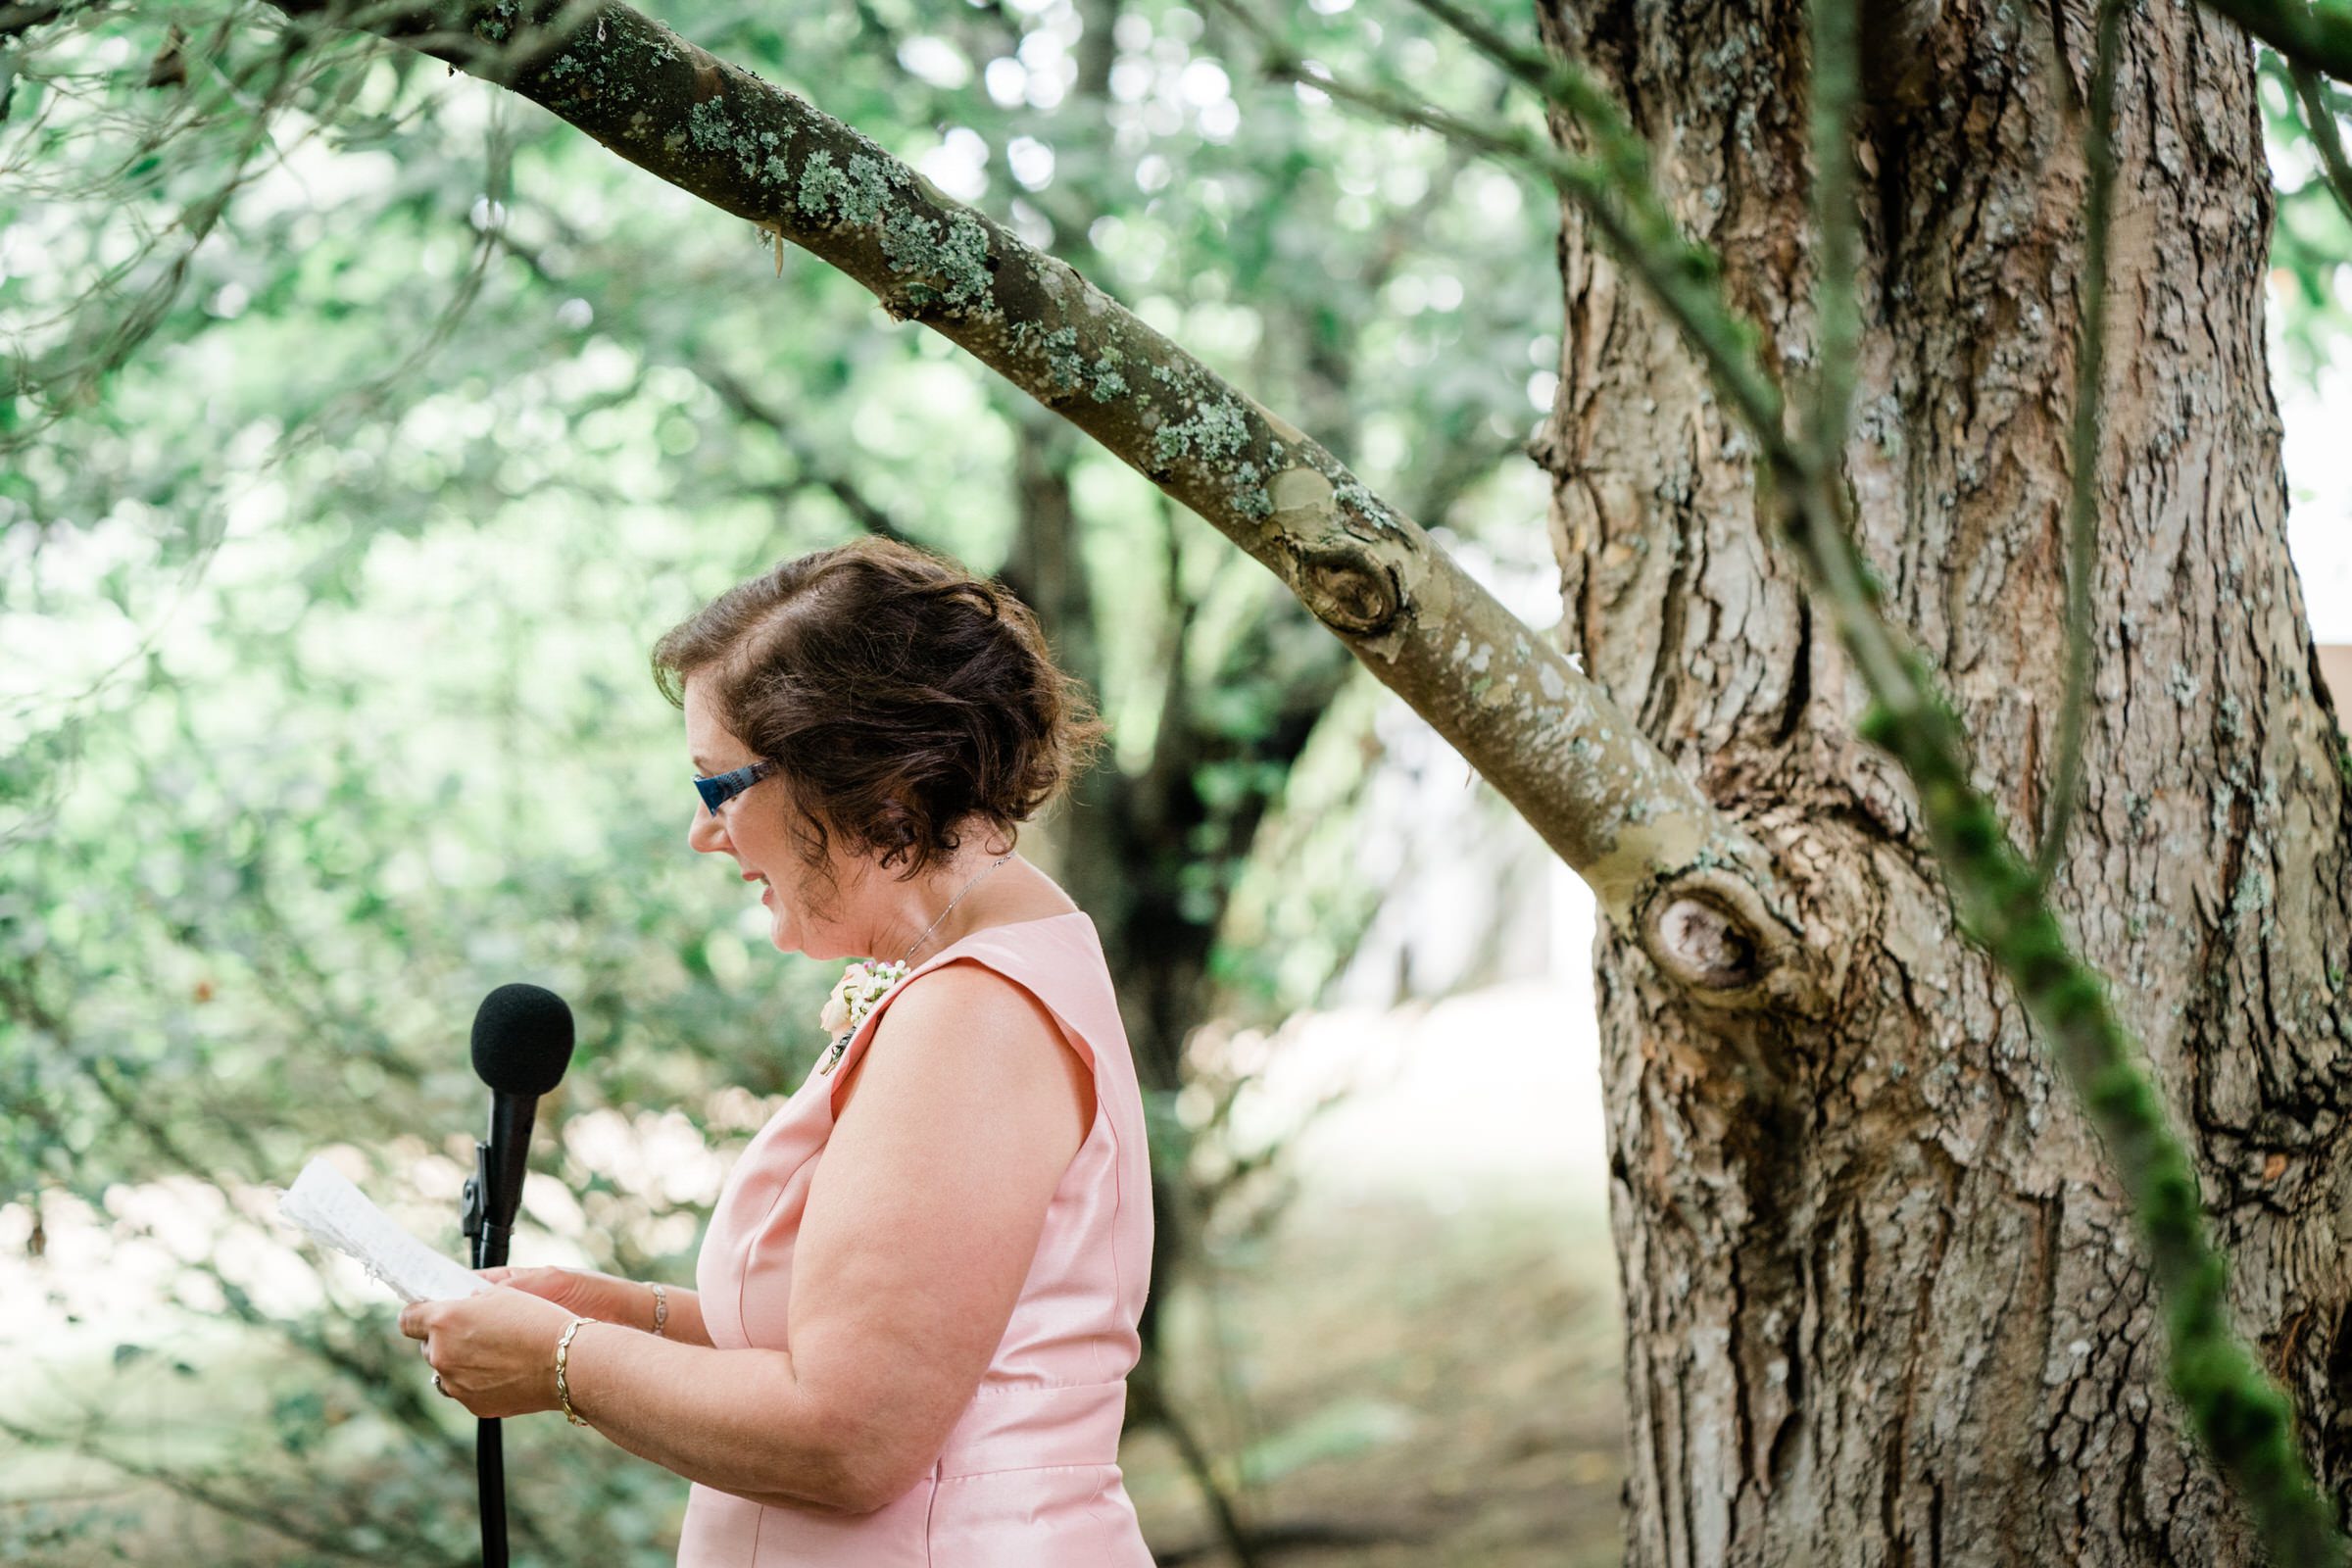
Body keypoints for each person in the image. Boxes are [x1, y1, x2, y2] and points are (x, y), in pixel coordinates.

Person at [399, 537, 1156, 1564]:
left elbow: (852, 1436)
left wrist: (563, 1363)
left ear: (867, 780)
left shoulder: (973, 1014)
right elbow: (860, 1343)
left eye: (719, 787)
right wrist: (614, 1314)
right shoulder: (966, 968)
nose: (704, 834)